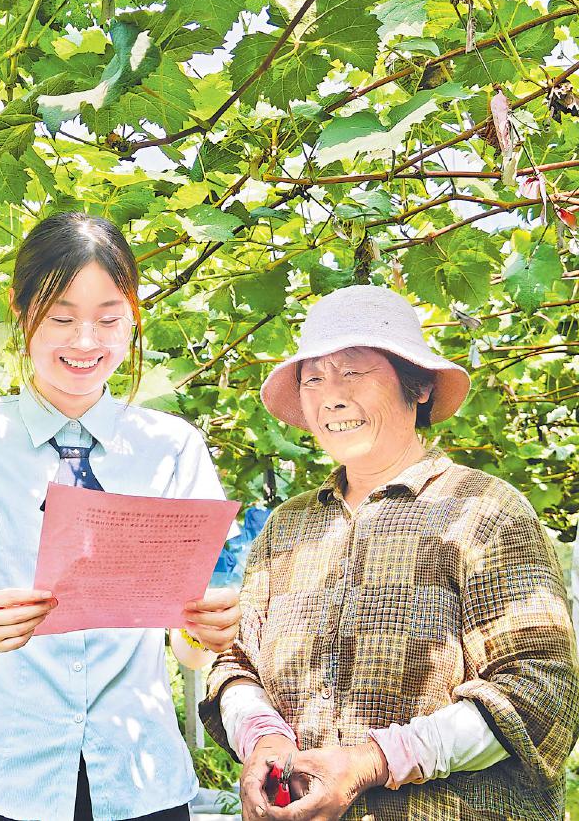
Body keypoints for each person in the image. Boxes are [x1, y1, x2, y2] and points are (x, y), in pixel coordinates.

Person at [198, 285, 579, 821]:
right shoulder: (287, 528)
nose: (330, 397)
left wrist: (373, 761)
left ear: (417, 386)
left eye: (353, 372)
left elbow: (541, 693)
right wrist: (263, 737)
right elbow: (237, 664)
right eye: (313, 379)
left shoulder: (484, 511)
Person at [0, 212, 242, 821]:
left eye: (109, 319)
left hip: (140, 777)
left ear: (133, 316)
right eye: (61, 318)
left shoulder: (173, 448)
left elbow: (188, 648)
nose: (86, 342)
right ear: (20, 311)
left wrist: (205, 632)